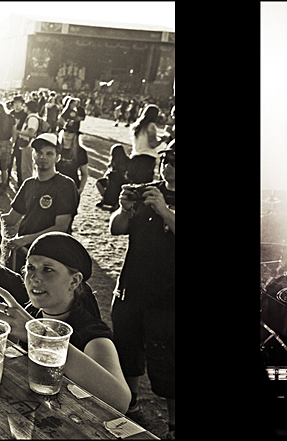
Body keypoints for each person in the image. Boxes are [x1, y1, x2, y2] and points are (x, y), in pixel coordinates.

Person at [0, 232, 132, 414]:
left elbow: (121, 401)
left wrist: (40, 336)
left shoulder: (92, 335)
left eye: (48, 269)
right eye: (30, 268)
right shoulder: (29, 314)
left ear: (74, 281)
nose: (34, 277)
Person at [109, 140, 175, 433]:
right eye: (165, 160)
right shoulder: (147, 190)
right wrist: (124, 210)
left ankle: (174, 425)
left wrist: (164, 210)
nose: (168, 166)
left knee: (169, 363)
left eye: (175, 160)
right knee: (127, 350)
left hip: (168, 296)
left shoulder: (159, 200)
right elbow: (116, 228)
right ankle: (131, 404)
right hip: (131, 287)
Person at [1, 133, 79, 269]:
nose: (43, 157)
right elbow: (12, 219)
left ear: (57, 158)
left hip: (50, 253)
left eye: (49, 154)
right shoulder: (29, 184)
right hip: (23, 252)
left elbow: (61, 226)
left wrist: (24, 239)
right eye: (39, 153)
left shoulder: (65, 184)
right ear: (33, 156)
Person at [126, 104, 163, 184]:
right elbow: (152, 144)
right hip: (147, 158)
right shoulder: (151, 126)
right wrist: (162, 140)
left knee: (133, 183)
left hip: (135, 157)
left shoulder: (136, 126)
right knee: (144, 185)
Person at [95, 143, 130, 210]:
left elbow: (109, 170)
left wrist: (106, 176)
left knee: (99, 183)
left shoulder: (113, 161)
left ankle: (104, 197)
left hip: (114, 180)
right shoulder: (127, 160)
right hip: (123, 180)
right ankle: (114, 201)